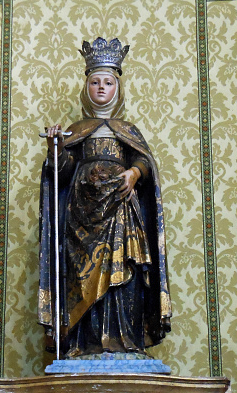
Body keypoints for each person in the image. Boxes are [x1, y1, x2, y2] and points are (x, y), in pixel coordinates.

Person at [38, 37, 171, 359]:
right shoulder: (76, 129)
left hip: (122, 210)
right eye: (95, 82)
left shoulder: (129, 130)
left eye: (108, 82)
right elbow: (62, 174)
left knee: (125, 271)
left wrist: (134, 173)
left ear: (118, 89)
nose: (101, 88)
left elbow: (145, 162)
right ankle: (85, 344)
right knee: (83, 275)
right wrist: (56, 149)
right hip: (82, 218)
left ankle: (126, 340)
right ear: (86, 88)